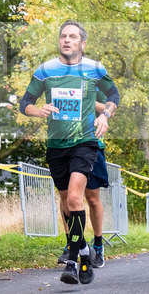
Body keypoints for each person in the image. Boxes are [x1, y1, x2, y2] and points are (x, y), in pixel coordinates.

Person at [20, 20, 120, 285]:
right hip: (56, 145)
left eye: (73, 36)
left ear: (82, 43)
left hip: (85, 142)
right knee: (66, 203)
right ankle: (84, 251)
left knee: (76, 199)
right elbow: (25, 102)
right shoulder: (46, 70)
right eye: (63, 36)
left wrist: (105, 115)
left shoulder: (95, 68)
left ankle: (73, 263)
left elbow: (114, 96)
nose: (67, 40)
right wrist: (36, 110)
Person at [58, 91, 110, 268]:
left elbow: (108, 108)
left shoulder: (93, 83)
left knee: (92, 199)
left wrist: (87, 100)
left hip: (92, 143)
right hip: (66, 144)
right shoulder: (61, 82)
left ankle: (98, 245)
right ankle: (71, 244)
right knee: (67, 197)